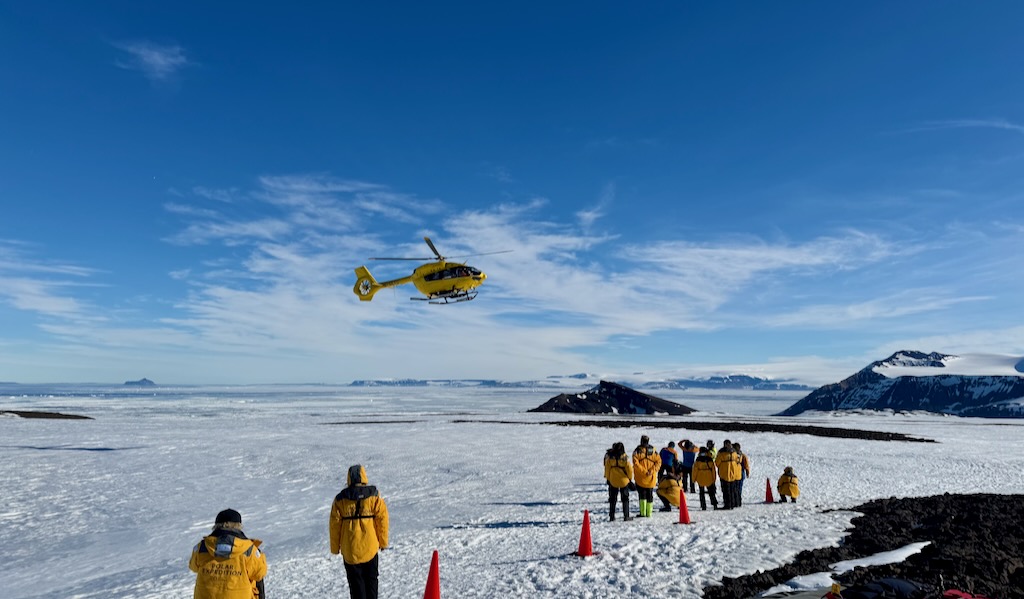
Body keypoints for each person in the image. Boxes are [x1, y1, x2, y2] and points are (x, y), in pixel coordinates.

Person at [330, 464, 390, 599]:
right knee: (371, 583)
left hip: (350, 550)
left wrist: (335, 548)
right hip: (370, 547)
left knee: (356, 587)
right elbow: (382, 520)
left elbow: (334, 525)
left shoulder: (340, 499)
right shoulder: (374, 496)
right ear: (364, 476)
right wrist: (383, 542)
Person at [189, 508, 267, 599]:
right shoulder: (248, 549)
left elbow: (193, 567)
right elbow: (259, 573)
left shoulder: (202, 547)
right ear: (238, 525)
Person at [632, 435, 661, 518]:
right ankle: (649, 513)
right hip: (651, 478)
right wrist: (651, 471)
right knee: (650, 495)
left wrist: (644, 472)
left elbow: (635, 463)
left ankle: (643, 513)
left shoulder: (637, 451)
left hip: (641, 478)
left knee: (642, 496)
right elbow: (659, 462)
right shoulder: (654, 451)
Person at [604, 441, 633, 521]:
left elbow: (607, 469)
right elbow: (630, 469)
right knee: (625, 499)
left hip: (613, 480)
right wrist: (630, 479)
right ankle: (626, 516)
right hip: (624, 481)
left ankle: (612, 516)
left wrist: (608, 478)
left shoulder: (610, 458)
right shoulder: (625, 458)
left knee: (613, 499)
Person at [715, 440, 742, 510]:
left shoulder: (721, 453)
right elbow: (738, 461)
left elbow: (717, 463)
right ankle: (732, 504)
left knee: (726, 491)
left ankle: (727, 505)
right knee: (732, 490)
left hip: (724, 474)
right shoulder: (734, 453)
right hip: (733, 474)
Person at [733, 442, 751, 507]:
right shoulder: (741, 455)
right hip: (738, 472)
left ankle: (737, 501)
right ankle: (737, 500)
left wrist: (747, 472)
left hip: (740, 472)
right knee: (737, 488)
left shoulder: (742, 456)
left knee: (738, 488)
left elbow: (746, 465)